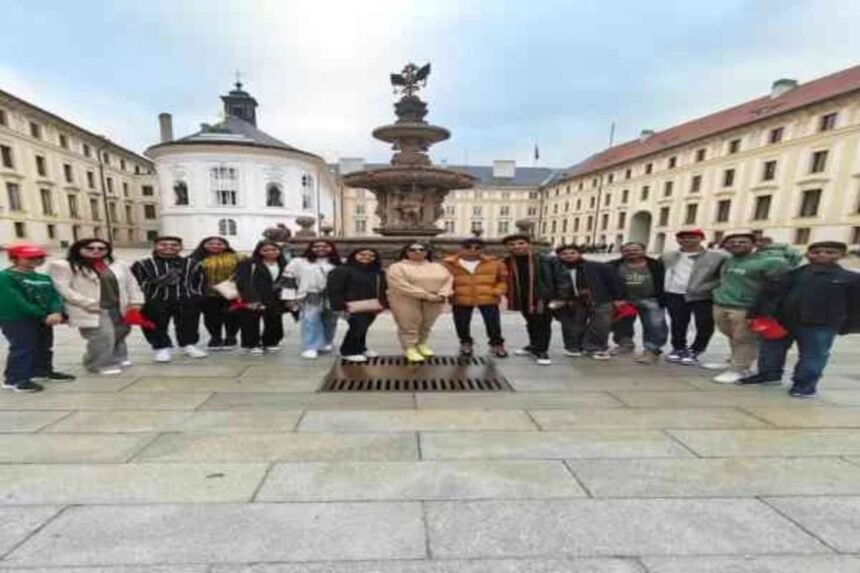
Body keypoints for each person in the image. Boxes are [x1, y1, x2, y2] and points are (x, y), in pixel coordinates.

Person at [741, 241, 860, 398]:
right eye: (816, 252)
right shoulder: (792, 274)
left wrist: (849, 326)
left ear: (841, 255)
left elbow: (856, 305)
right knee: (771, 349)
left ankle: (804, 385)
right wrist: (757, 314)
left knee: (813, 355)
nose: (822, 255)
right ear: (807, 254)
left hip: (820, 324)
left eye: (830, 252)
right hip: (782, 320)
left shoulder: (850, 278)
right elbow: (770, 294)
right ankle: (769, 375)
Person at [48, 238, 144, 375]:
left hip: (118, 305)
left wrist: (136, 301)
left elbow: (131, 283)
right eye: (90, 248)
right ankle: (97, 363)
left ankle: (117, 356)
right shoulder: (64, 265)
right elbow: (63, 289)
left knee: (120, 332)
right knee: (102, 336)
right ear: (78, 249)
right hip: (90, 308)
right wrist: (88, 303)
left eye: (101, 248)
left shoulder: (118, 264)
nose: (96, 251)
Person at [710, 232, 792, 384]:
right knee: (732, 335)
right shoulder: (729, 260)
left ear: (754, 244)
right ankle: (734, 361)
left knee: (744, 339)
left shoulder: (770, 262)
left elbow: (778, 285)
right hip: (722, 304)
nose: (737, 244)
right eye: (732, 242)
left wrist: (764, 308)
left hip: (745, 307)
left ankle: (739, 369)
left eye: (742, 242)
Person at [0, 244, 74, 392]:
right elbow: (16, 300)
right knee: (23, 347)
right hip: (17, 318)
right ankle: (15, 379)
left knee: (44, 345)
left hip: (44, 318)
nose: (36, 260)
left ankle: (41, 370)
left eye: (40, 257)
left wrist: (56, 311)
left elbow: (54, 296)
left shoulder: (43, 277)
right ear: (14, 259)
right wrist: (42, 314)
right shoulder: (6, 277)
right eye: (30, 258)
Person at [131, 236, 207, 363]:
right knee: (155, 325)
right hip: (155, 299)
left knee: (189, 324)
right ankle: (161, 347)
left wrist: (197, 297)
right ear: (155, 246)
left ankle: (188, 345)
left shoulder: (192, 263)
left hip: (186, 298)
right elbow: (134, 283)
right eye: (163, 244)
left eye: (174, 245)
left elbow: (200, 282)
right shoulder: (142, 264)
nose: (169, 247)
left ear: (180, 247)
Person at [661, 229, 729, 366]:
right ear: (677, 240)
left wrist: (711, 287)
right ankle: (679, 348)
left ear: (701, 238)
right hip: (675, 293)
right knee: (678, 323)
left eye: (692, 237)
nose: (686, 240)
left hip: (703, 295)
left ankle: (697, 349)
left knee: (704, 323)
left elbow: (725, 275)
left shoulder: (718, 257)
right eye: (682, 237)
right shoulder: (668, 255)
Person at [548, 244, 624, 360]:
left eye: (572, 253)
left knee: (600, 324)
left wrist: (618, 298)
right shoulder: (555, 268)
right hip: (571, 300)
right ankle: (573, 347)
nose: (569, 256)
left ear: (579, 254)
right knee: (572, 325)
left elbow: (613, 282)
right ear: (558, 256)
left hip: (599, 298)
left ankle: (594, 348)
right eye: (564, 254)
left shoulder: (597, 266)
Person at [386, 242, 453, 362]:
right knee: (408, 324)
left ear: (427, 252)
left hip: (435, 299)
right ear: (406, 252)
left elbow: (449, 279)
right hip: (405, 299)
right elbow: (400, 285)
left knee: (427, 324)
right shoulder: (397, 267)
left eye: (422, 249)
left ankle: (421, 344)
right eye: (413, 249)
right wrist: (426, 295)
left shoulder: (438, 266)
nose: (418, 252)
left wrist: (443, 293)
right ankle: (410, 347)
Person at [442, 238, 508, 357]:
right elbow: (442, 279)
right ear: (461, 248)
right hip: (460, 296)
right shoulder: (449, 263)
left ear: (482, 249)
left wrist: (498, 290)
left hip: (488, 296)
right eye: (468, 247)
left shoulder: (495, 263)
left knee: (493, 323)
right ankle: (466, 343)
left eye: (477, 248)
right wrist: (449, 292)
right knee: (461, 323)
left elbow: (503, 279)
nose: (473, 250)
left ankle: (496, 344)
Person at [608, 242, 668, 364]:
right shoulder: (613, 265)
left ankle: (652, 350)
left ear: (644, 250)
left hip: (650, 299)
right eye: (627, 250)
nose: (631, 252)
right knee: (620, 323)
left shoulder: (656, 265)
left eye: (635, 250)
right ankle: (625, 344)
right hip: (624, 300)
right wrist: (615, 299)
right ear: (622, 252)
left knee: (655, 325)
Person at [282, 240, 341, 359]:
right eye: (316, 246)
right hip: (309, 295)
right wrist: (289, 298)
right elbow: (288, 280)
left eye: (325, 246)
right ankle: (310, 346)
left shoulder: (338, 262)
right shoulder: (298, 262)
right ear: (310, 248)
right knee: (310, 321)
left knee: (330, 320)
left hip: (332, 296)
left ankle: (327, 341)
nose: (321, 248)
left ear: (332, 248)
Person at [327, 248, 387, 362]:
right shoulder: (342, 270)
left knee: (363, 327)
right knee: (356, 327)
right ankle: (348, 351)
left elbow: (383, 288)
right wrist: (338, 306)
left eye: (371, 255)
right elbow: (334, 289)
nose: (367, 257)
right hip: (351, 305)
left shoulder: (377, 271)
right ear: (354, 255)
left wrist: (384, 304)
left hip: (372, 305)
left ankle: (360, 348)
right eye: (362, 254)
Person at [502, 234, 553, 365]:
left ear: (528, 245)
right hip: (522, 297)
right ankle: (533, 346)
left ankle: (542, 351)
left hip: (541, 297)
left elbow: (556, 277)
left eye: (520, 243)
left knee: (542, 324)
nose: (516, 247)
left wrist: (556, 296)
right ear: (507, 247)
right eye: (512, 245)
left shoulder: (543, 259)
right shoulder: (507, 261)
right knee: (530, 322)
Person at [235, 240, 287, 355]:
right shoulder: (249, 263)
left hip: (274, 297)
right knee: (251, 321)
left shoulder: (283, 263)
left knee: (274, 320)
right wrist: (251, 297)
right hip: (253, 295)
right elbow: (242, 281)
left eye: (274, 249)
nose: (270, 252)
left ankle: (270, 342)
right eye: (266, 250)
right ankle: (252, 344)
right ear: (259, 251)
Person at [190, 236, 242, 351]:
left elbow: (245, 270)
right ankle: (215, 337)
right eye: (211, 243)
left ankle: (231, 337)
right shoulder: (195, 258)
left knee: (233, 315)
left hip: (231, 291)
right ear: (203, 244)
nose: (215, 246)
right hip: (207, 293)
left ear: (226, 245)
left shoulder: (237, 257)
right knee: (211, 316)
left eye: (219, 244)